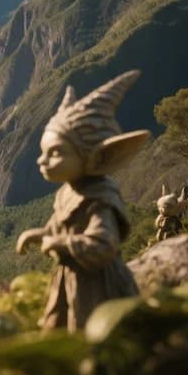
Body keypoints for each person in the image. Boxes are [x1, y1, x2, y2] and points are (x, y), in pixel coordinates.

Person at [16, 71, 148, 331]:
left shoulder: (99, 200)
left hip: (98, 288)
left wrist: (59, 243)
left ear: (94, 158)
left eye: (55, 153)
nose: (42, 161)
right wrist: (38, 234)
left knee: (89, 334)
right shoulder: (68, 192)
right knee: (59, 328)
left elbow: (103, 244)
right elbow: (59, 228)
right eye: (44, 152)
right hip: (70, 280)